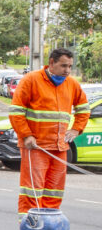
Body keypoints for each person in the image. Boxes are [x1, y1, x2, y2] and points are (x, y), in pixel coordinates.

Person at [9, 47, 90, 219]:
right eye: (63, 66)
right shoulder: (31, 80)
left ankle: (49, 223)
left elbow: (83, 109)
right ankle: (29, 226)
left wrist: (76, 129)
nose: (67, 71)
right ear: (51, 63)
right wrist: (26, 135)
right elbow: (16, 112)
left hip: (59, 147)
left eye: (70, 67)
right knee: (32, 190)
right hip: (36, 146)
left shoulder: (72, 84)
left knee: (54, 191)